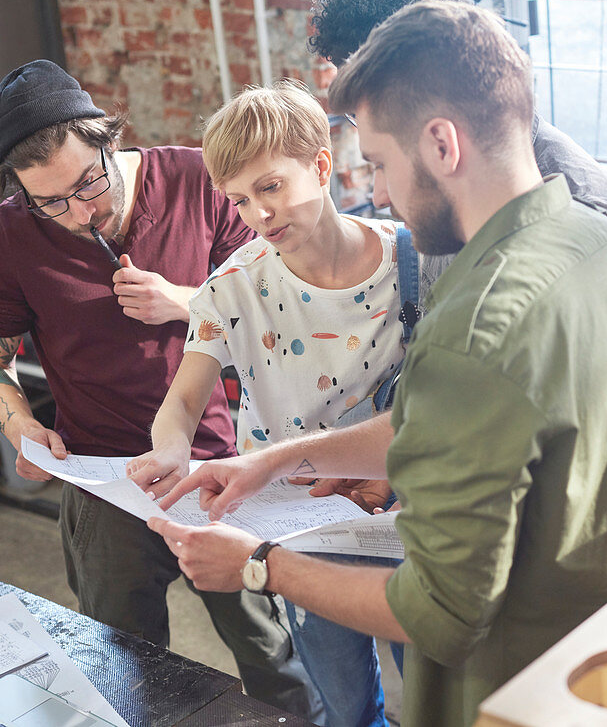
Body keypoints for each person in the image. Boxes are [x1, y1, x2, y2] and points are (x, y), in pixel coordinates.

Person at [147, 1, 607, 726]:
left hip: (519, 685)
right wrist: (278, 462)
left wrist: (256, 563)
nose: (376, 190)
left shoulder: (473, 323)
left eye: (378, 162)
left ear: (440, 144)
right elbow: (450, 423)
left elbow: (439, 612)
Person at [0, 59, 317, 719]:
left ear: (108, 139)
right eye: (51, 202)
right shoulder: (6, 239)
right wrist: (20, 427)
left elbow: (281, 312)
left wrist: (185, 301)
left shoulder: (196, 181)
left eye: (88, 183)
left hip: (216, 466)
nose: (80, 211)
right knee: (121, 662)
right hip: (103, 479)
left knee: (273, 656)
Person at [310, 0, 607, 508]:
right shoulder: (447, 204)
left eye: (370, 116)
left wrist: (263, 564)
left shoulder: (593, 219)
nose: (378, 194)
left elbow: (593, 446)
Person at [125, 80, 404, 727]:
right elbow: (185, 397)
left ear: (322, 164)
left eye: (271, 187)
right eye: (240, 200)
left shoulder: (410, 264)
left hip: (409, 517)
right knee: (345, 704)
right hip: (299, 530)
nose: (258, 214)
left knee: (442, 683)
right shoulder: (233, 287)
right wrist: (169, 445)